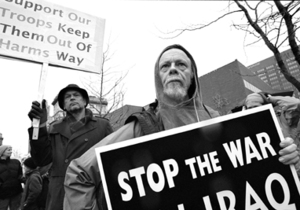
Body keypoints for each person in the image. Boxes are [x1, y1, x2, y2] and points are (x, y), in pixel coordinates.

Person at [63, 44, 299, 210]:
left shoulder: (219, 121)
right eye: (165, 67)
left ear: (193, 76)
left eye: (181, 65)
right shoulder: (143, 125)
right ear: (159, 78)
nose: (173, 69)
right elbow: (79, 173)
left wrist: (286, 160)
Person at [27, 84, 113, 210]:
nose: (72, 98)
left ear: (85, 102)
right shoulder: (53, 127)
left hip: (90, 190)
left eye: (76, 95)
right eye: (67, 97)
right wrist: (38, 127)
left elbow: (113, 159)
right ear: (63, 106)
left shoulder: (102, 125)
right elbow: (41, 159)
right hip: (59, 191)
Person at [244, 92, 300, 176]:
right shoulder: (248, 127)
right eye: (250, 108)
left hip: (295, 166)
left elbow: (296, 104)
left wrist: (271, 99)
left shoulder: (283, 118)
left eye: (255, 106)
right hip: (274, 173)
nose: (253, 110)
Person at [0, 145, 23, 210]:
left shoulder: (16, 162)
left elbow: (20, 175)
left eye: (11, 150)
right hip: (2, 193)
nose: (11, 151)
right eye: (8, 150)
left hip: (16, 192)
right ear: (2, 151)